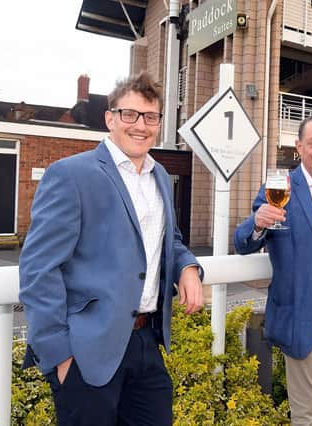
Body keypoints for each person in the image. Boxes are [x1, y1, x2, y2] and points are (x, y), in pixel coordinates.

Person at [18, 71, 204, 426]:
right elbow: (38, 270)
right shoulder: (71, 175)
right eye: (129, 114)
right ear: (110, 118)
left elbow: (170, 240)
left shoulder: (161, 177)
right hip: (87, 353)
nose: (141, 125)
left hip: (146, 344)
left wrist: (188, 267)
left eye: (151, 117)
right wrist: (60, 357)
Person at [234, 113, 312, 425]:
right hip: (303, 309)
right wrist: (258, 224)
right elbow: (242, 242)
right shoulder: (280, 186)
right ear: (299, 147)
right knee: (305, 409)